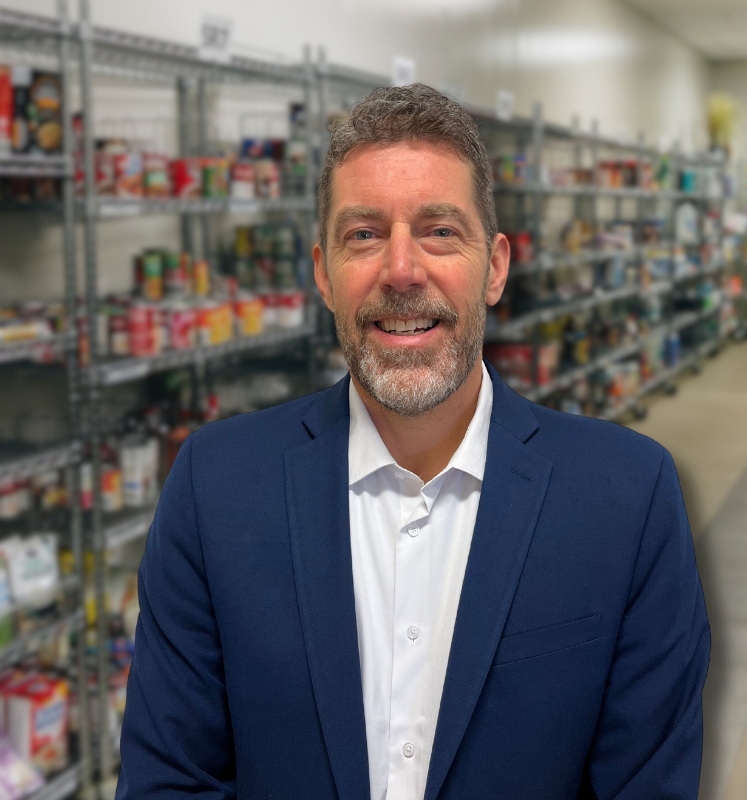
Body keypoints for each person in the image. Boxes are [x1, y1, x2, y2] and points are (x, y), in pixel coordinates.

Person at [116, 85, 710, 800]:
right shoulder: (214, 489)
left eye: (439, 231)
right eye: (363, 234)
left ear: (494, 269)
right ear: (323, 274)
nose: (401, 271)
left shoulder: (628, 497)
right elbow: (169, 782)